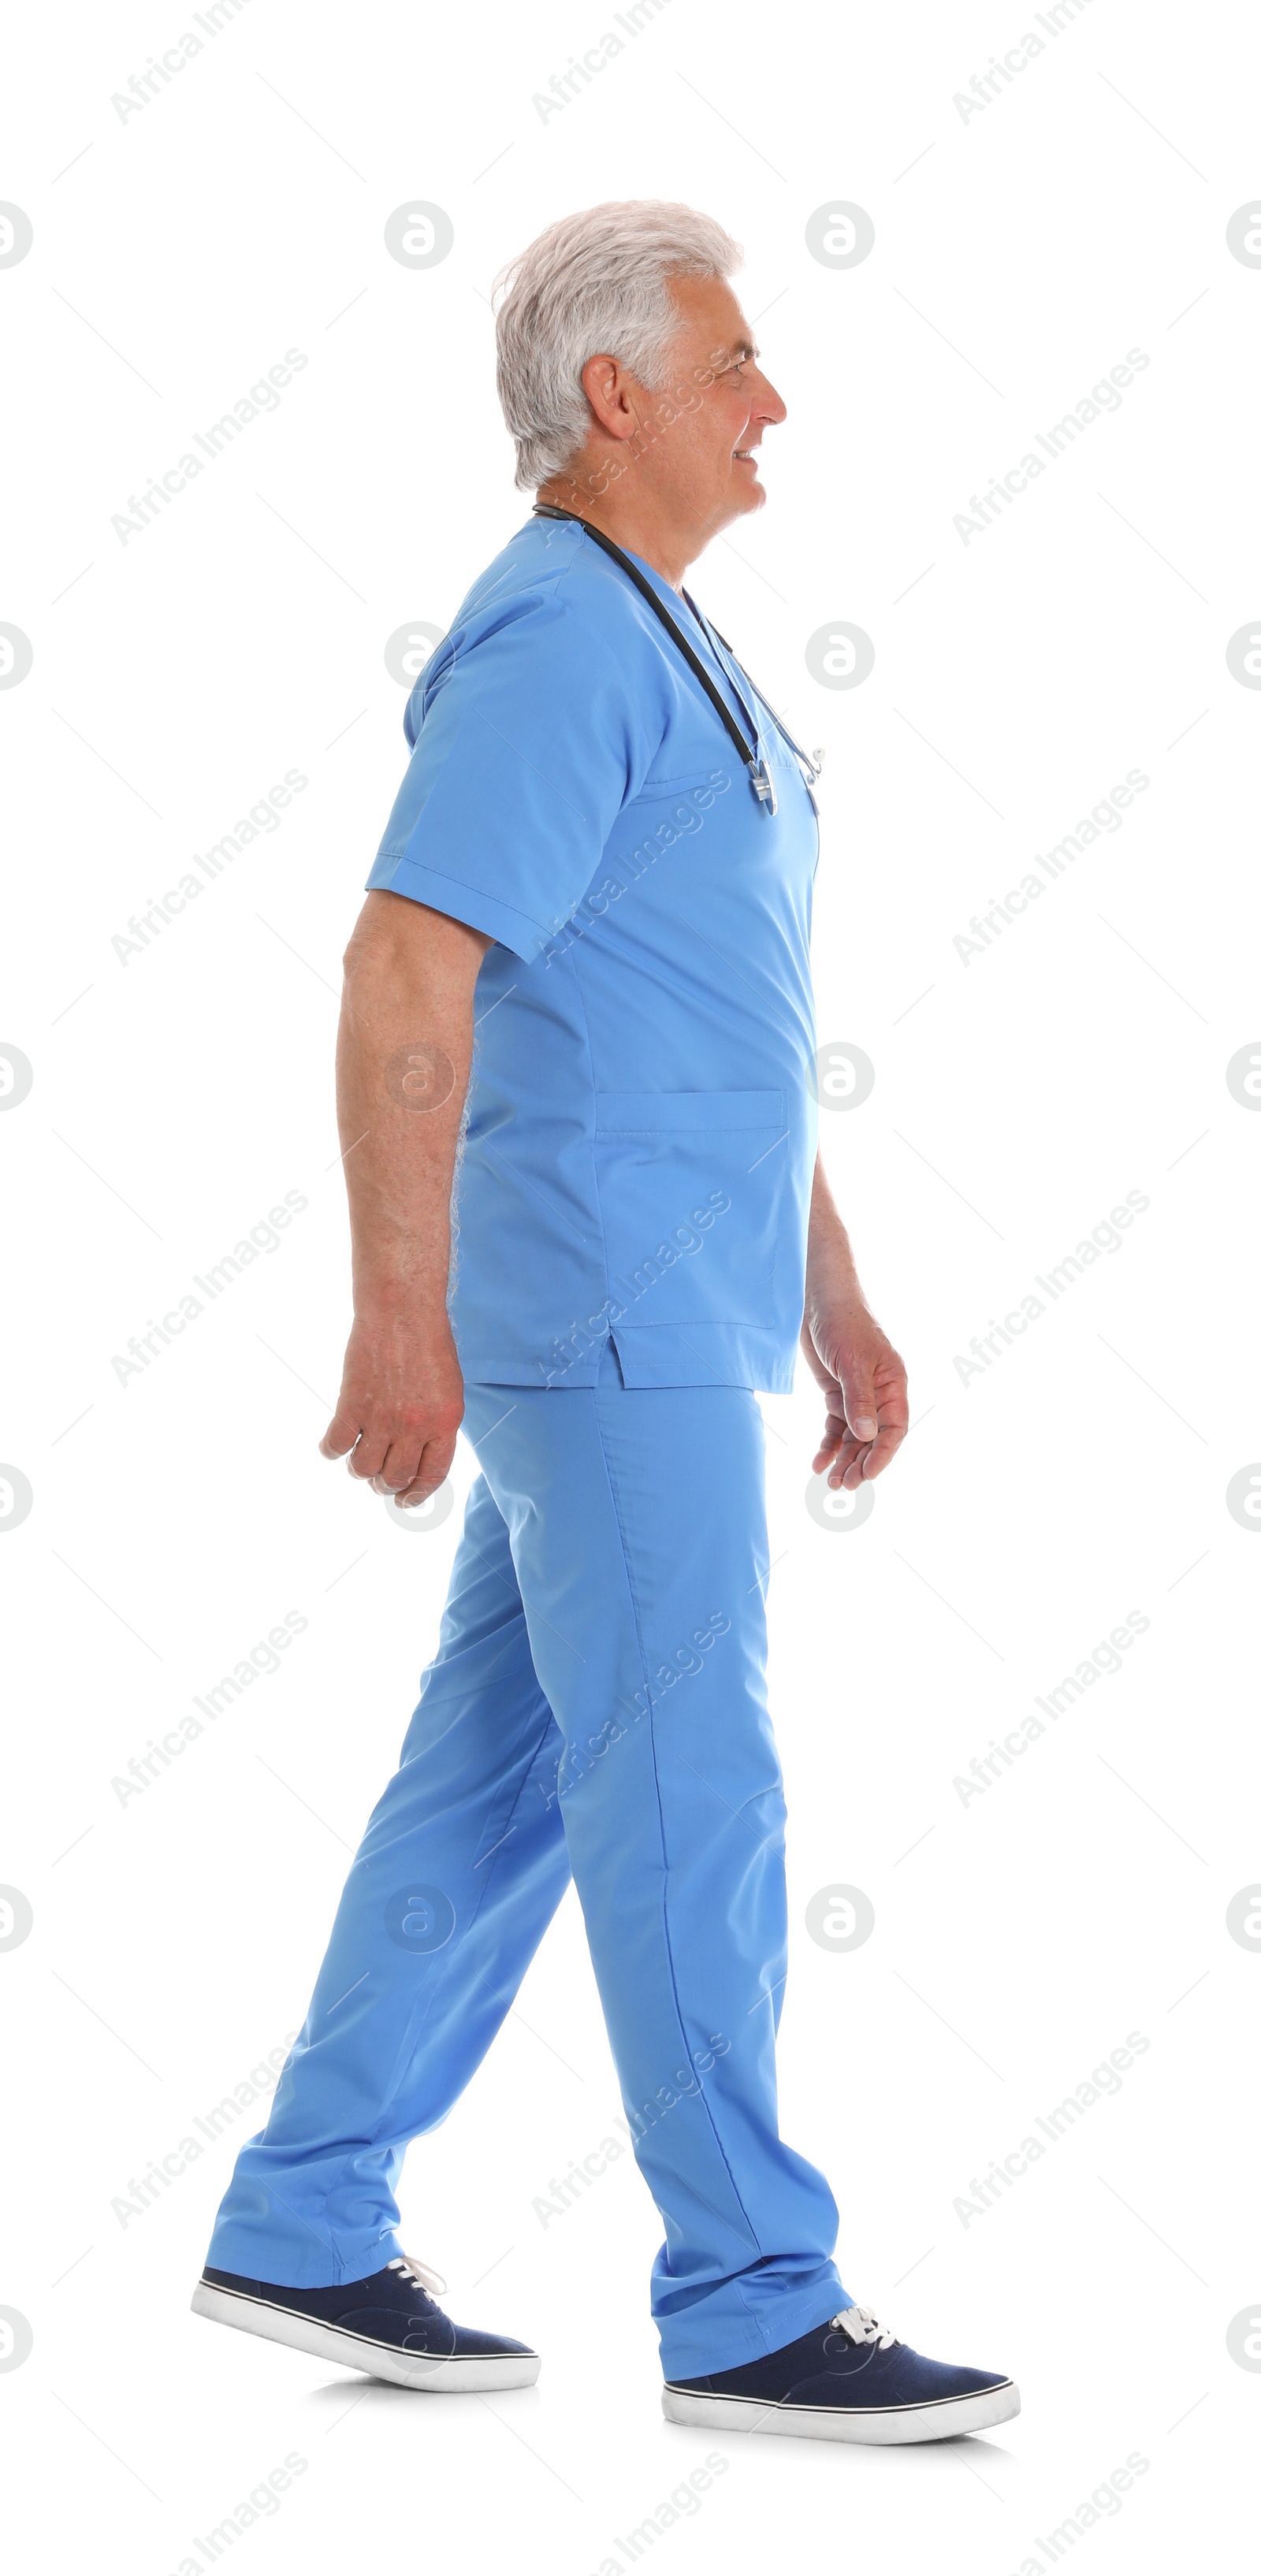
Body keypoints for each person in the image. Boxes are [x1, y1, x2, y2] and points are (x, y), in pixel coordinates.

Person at [192, 201, 1017, 2444]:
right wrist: (396, 1313)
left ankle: (297, 2210)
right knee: (689, 1792)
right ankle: (753, 2292)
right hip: (600, 1331)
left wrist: (832, 1291)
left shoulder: (673, 641)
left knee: (501, 1789)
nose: (778, 402)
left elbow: (704, 1012)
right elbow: (404, 968)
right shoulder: (560, 635)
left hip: (683, 1313)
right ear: (617, 395)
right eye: (738, 361)